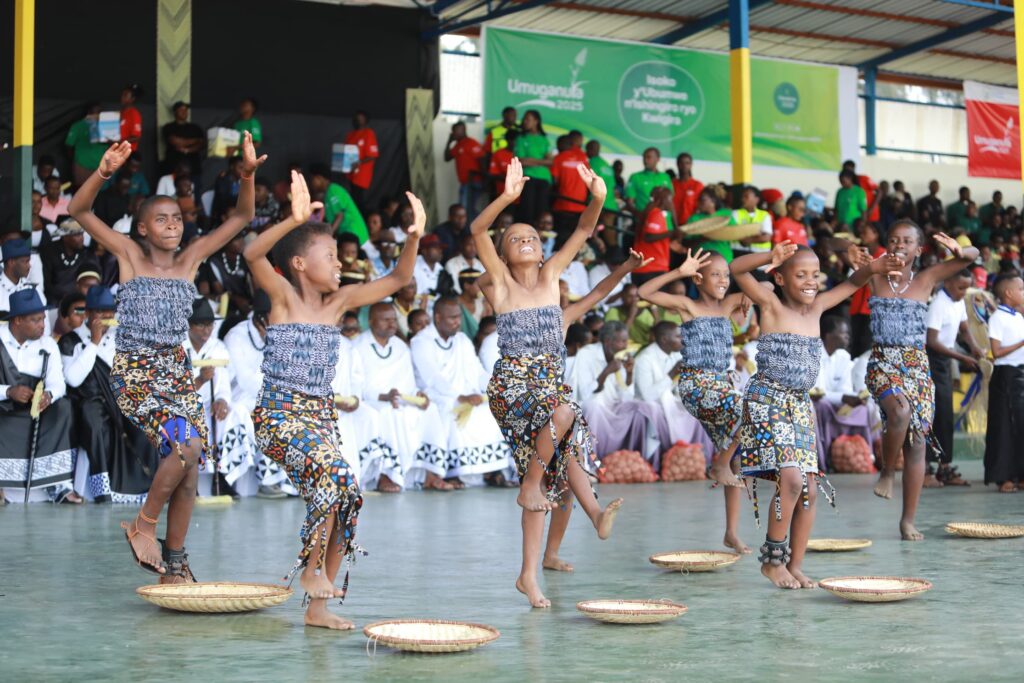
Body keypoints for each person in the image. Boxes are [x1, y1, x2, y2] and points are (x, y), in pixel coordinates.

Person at [69, 134, 264, 581]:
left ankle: (174, 563)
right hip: (137, 372)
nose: (172, 224)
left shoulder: (191, 259)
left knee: (190, 467)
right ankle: (143, 524)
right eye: (161, 219)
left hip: (176, 372)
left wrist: (247, 175)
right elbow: (79, 210)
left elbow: (242, 216)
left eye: (176, 218)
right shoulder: (128, 254)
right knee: (186, 446)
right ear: (142, 229)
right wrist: (102, 173)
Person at [243, 170, 422, 630]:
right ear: (300, 264)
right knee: (336, 475)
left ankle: (317, 608)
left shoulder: (340, 302)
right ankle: (311, 571)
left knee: (348, 495)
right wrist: (293, 219)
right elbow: (252, 253)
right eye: (330, 256)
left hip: (320, 420)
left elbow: (401, 276)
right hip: (279, 415)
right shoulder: (282, 296)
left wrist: (413, 236)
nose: (340, 263)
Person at [474, 158, 622, 608]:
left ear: (543, 253)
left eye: (533, 237)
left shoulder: (553, 276)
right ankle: (578, 505)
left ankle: (529, 574)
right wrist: (507, 199)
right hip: (513, 388)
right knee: (565, 415)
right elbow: (479, 230)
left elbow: (584, 230)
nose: (526, 240)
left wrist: (598, 197)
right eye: (514, 238)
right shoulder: (500, 284)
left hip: (549, 390)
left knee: (553, 468)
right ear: (502, 256)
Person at [730, 240, 894, 588]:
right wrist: (770, 257)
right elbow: (736, 269)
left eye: (815, 275)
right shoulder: (770, 304)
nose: (809, 281)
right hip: (768, 400)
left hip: (800, 405)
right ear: (780, 278)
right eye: (800, 274)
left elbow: (853, 282)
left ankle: (794, 565)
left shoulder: (818, 307)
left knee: (810, 489)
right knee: (791, 480)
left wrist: (874, 268)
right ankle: (772, 561)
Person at [858, 220, 978, 540]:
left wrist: (959, 250)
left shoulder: (927, 278)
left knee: (917, 443)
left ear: (919, 249)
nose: (899, 245)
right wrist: (857, 255)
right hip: (883, 363)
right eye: (894, 239)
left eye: (907, 241)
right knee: (900, 413)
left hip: (917, 368)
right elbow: (836, 247)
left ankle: (907, 521)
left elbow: (973, 255)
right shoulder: (875, 275)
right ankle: (887, 472)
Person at [638, 250, 755, 554]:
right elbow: (644, 292)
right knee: (750, 410)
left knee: (737, 457)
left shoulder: (729, 304)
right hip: (696, 386)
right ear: (699, 279)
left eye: (726, 275)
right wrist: (679, 271)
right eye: (715, 275)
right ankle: (719, 465)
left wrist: (749, 297)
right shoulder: (688, 306)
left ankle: (731, 532)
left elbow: (764, 288)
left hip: (722, 386)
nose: (723, 280)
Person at [60, 285, 159, 503]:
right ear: (88, 313)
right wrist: (93, 343)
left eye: (109, 311)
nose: (106, 316)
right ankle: (102, 489)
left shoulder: (121, 338)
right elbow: (73, 379)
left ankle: (149, 486)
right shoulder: (71, 341)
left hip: (119, 398)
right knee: (94, 423)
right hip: (88, 400)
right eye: (100, 311)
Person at [411, 296, 511, 488]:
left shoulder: (462, 340)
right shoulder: (421, 341)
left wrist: (496, 387)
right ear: (438, 317)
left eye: (458, 317)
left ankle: (491, 470)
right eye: (452, 318)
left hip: (468, 395)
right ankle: (452, 472)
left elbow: (477, 371)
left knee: (492, 408)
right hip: (436, 396)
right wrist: (460, 396)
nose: (457, 322)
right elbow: (432, 377)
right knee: (452, 408)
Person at [352, 302, 449, 492]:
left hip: (399, 399)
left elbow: (408, 383)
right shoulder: (357, 346)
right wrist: (384, 396)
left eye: (394, 320)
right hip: (372, 401)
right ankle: (385, 475)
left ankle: (429, 474)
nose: (392, 324)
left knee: (430, 409)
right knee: (389, 413)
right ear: (370, 321)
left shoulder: (400, 347)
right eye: (385, 320)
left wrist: (417, 396)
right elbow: (357, 386)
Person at [0, 289, 76, 503]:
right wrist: (8, 391)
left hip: (36, 411)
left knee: (64, 407)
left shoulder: (48, 344)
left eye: (43, 319)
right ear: (17, 320)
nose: (43, 325)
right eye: (35, 320)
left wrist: (49, 396)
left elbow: (58, 383)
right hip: (3, 408)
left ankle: (56, 484)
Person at [222, 290, 295, 498]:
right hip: (236, 399)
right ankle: (267, 480)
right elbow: (244, 380)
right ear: (261, 318)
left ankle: (289, 482)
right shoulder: (236, 336)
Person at [184, 298, 258, 498]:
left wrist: (222, 400)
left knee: (233, 414)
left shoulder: (217, 347)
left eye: (210, 325)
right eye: (201, 325)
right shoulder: (177, 348)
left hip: (209, 404)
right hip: (183, 405)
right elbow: (175, 391)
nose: (206, 331)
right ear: (189, 325)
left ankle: (224, 476)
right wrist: (200, 379)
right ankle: (186, 482)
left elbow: (223, 382)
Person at [925, 269, 982, 486]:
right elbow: (932, 341)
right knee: (934, 415)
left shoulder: (958, 302)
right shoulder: (939, 304)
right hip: (932, 359)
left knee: (945, 415)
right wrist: (961, 357)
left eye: (967, 288)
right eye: (960, 288)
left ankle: (944, 466)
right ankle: (926, 469)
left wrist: (975, 348)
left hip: (946, 360)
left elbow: (965, 329)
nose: (963, 292)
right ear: (947, 282)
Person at [812, 316, 874, 472]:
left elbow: (845, 389)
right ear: (828, 336)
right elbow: (818, 391)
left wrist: (856, 397)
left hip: (836, 401)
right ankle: (826, 458)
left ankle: (863, 455)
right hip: (818, 401)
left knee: (862, 408)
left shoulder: (844, 357)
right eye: (843, 334)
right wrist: (843, 397)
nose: (847, 338)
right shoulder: (813, 354)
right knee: (822, 405)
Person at [984, 273, 1024, 491]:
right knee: (1004, 427)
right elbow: (996, 351)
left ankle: (1020, 474)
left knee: (1020, 425)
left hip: (1019, 373)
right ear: (1008, 293)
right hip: (1005, 376)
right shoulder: (998, 318)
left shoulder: (1018, 316)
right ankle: (1004, 477)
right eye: (1021, 289)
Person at [309, 164, 368, 245]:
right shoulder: (328, 194)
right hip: (349, 235)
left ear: (319, 178)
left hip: (356, 235)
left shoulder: (332, 190)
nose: (311, 183)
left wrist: (328, 236)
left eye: (312, 179)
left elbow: (340, 216)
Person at [631, 186, 677, 287]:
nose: (671, 203)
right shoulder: (656, 214)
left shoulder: (649, 212)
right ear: (663, 200)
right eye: (670, 199)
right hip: (653, 268)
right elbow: (648, 237)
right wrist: (671, 232)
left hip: (643, 268)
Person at [512, 110, 553, 224]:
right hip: (527, 178)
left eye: (528, 119)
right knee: (527, 212)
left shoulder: (544, 139)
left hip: (544, 178)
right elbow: (520, 161)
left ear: (536, 121)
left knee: (541, 213)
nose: (524, 121)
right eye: (524, 119)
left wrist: (531, 160)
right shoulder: (521, 138)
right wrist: (542, 161)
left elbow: (551, 161)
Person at [550, 131, 589, 243]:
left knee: (561, 239)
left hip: (563, 205)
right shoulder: (583, 157)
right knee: (576, 239)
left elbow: (554, 180)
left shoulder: (558, 158)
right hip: (580, 206)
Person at [445, 122, 485, 221]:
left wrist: (485, 180)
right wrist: (449, 141)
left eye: (456, 130)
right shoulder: (458, 145)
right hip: (465, 182)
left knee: (465, 209)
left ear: (463, 130)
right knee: (468, 209)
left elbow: (482, 159)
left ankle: (472, 229)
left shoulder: (471, 143)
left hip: (473, 182)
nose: (453, 133)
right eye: (453, 131)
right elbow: (447, 157)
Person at [64, 103, 108, 188]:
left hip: (99, 167)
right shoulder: (78, 126)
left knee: (100, 191)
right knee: (81, 190)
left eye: (99, 112)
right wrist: (75, 160)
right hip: (82, 165)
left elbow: (110, 144)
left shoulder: (106, 127)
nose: (97, 115)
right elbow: (68, 145)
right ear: (89, 112)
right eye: (95, 112)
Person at [343, 110, 379, 213]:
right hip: (348, 173)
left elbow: (372, 155)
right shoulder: (350, 135)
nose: (358, 121)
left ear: (366, 120)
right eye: (356, 118)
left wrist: (359, 162)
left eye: (361, 119)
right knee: (350, 199)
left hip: (361, 175)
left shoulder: (369, 133)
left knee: (359, 201)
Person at [161, 101, 205, 180]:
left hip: (193, 169)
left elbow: (202, 144)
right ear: (175, 112)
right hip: (174, 168)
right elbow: (176, 142)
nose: (184, 112)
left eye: (186, 110)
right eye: (181, 110)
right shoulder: (169, 127)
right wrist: (195, 140)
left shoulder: (195, 128)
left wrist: (187, 150)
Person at [624, 147, 672, 217]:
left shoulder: (666, 177)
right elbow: (629, 202)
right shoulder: (635, 177)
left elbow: (670, 202)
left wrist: (674, 222)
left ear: (657, 159)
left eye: (648, 157)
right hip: (645, 221)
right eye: (644, 157)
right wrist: (639, 215)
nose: (645, 160)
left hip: (665, 220)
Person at [731, 186, 773, 254]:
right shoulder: (735, 213)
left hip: (760, 255)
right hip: (739, 253)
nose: (742, 199)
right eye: (742, 197)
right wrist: (757, 234)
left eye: (746, 196)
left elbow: (766, 237)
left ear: (756, 199)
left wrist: (747, 239)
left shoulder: (765, 215)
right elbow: (733, 232)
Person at [585, 140, 618, 214]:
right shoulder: (607, 165)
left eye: (586, 150)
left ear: (590, 149)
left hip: (596, 204)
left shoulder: (591, 163)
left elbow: (586, 182)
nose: (586, 152)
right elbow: (612, 187)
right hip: (611, 205)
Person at [671, 152, 703, 226]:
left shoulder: (697, 185)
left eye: (687, 163)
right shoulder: (671, 184)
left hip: (691, 225)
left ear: (691, 165)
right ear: (677, 164)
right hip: (673, 225)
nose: (684, 166)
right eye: (681, 163)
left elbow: (701, 207)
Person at [413, 234, 447, 302]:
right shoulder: (412, 265)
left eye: (440, 248)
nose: (440, 251)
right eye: (436, 248)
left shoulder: (440, 268)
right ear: (424, 251)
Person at [119, 84, 143, 152]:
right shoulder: (120, 113)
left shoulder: (134, 114)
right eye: (122, 95)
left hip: (128, 152)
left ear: (132, 99)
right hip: (118, 151)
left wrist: (119, 141)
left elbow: (137, 137)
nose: (122, 97)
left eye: (125, 95)